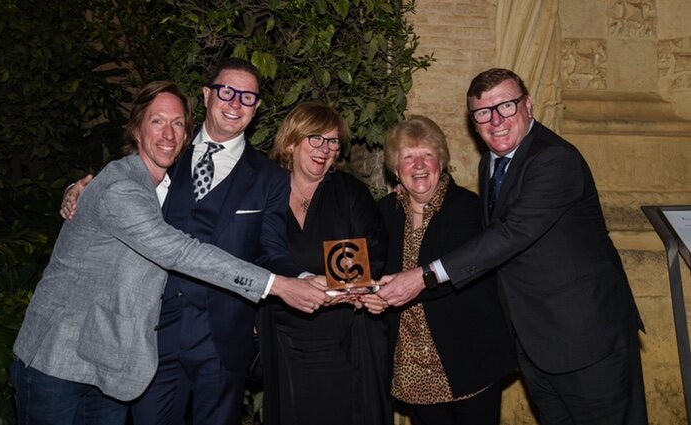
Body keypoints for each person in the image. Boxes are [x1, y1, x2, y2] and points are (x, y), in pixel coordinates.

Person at [11, 81, 327, 424]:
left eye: (177, 124)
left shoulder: (164, 178)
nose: (169, 133)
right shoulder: (122, 185)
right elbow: (179, 251)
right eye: (157, 121)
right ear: (136, 128)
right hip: (61, 357)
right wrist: (278, 286)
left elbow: (265, 245)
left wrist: (302, 278)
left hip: (115, 363)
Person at [378, 68, 648, 425]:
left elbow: (509, 235)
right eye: (483, 113)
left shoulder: (554, 159)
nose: (496, 120)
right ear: (473, 122)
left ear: (529, 105)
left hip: (586, 339)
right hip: (535, 343)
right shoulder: (491, 164)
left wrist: (425, 275)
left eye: (506, 106)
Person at [359, 115, 515, 425]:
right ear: (394, 169)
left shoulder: (469, 209)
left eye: (427, 155)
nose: (418, 165)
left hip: (469, 358)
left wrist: (405, 288)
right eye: (408, 156)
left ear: (440, 163)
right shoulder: (383, 213)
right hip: (412, 364)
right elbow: (375, 271)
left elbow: (466, 270)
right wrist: (375, 295)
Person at [259, 101, 392, 425]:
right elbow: (255, 254)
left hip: (344, 337)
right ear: (291, 142)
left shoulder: (349, 193)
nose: (325, 148)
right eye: (315, 138)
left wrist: (342, 288)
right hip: (284, 337)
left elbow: (371, 254)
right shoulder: (264, 193)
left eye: (332, 141)